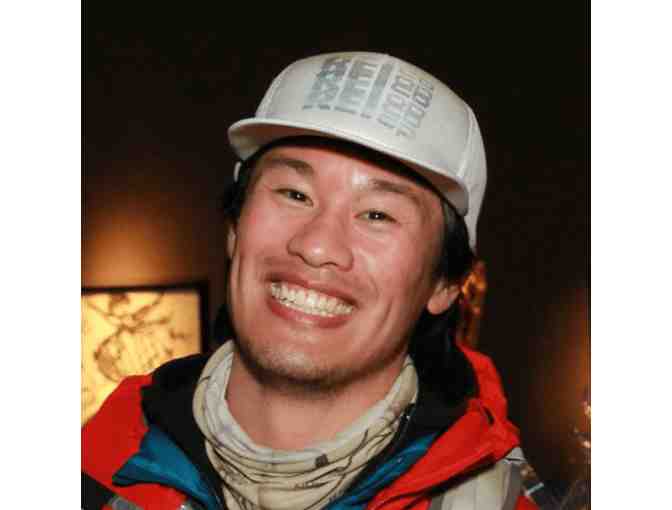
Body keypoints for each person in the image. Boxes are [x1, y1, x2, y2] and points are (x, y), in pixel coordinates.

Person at [82, 52, 538, 510]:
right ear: (235, 227)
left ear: (445, 283)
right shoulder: (97, 475)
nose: (317, 246)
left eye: (377, 215)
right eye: (294, 194)